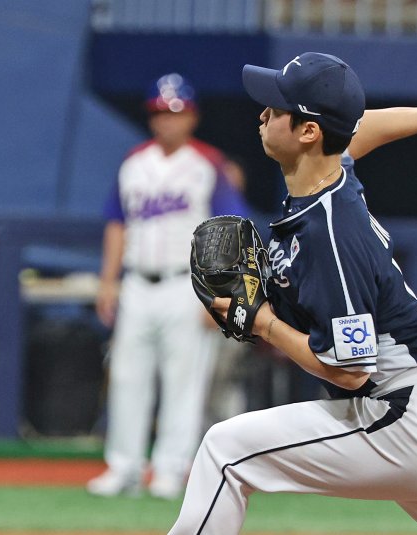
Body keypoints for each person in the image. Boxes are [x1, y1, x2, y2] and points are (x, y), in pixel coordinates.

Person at [168, 53, 417, 534]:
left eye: (277, 108)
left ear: (307, 133)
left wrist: (261, 322)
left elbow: (349, 370)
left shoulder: (329, 233)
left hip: (408, 420)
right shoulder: (329, 179)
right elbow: (355, 132)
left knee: (225, 451)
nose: (263, 114)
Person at [88, 74, 248, 499]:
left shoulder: (208, 163)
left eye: (174, 113)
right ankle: (123, 467)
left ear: (191, 116)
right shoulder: (134, 161)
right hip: (137, 281)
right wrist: (108, 281)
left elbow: (228, 230)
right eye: (159, 112)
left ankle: (170, 470)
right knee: (126, 376)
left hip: (186, 283)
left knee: (184, 380)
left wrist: (220, 291)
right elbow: (117, 223)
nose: (166, 121)